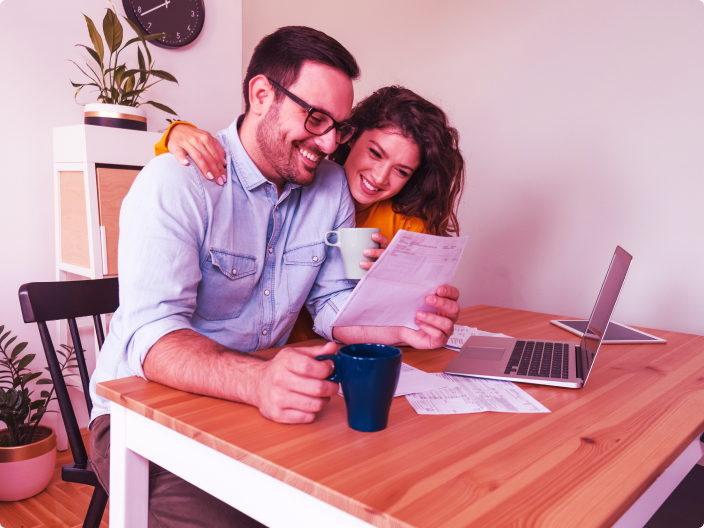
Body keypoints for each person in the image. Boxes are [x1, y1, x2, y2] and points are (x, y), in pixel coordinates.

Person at [88, 26, 460, 527]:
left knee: (376, 490)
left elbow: (331, 306)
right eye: (316, 118)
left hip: (251, 400)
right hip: (142, 411)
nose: (329, 142)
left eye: (340, 126)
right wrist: (258, 379)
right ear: (261, 95)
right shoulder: (176, 183)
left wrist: (398, 328)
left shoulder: (330, 190)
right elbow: (150, 337)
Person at [156, 85, 465, 342]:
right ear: (350, 136)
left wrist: (403, 289)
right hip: (278, 350)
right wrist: (176, 133)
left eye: (401, 171)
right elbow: (214, 170)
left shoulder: (407, 227)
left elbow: (408, 313)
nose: (381, 177)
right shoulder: (296, 177)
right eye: (375, 153)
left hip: (344, 354)